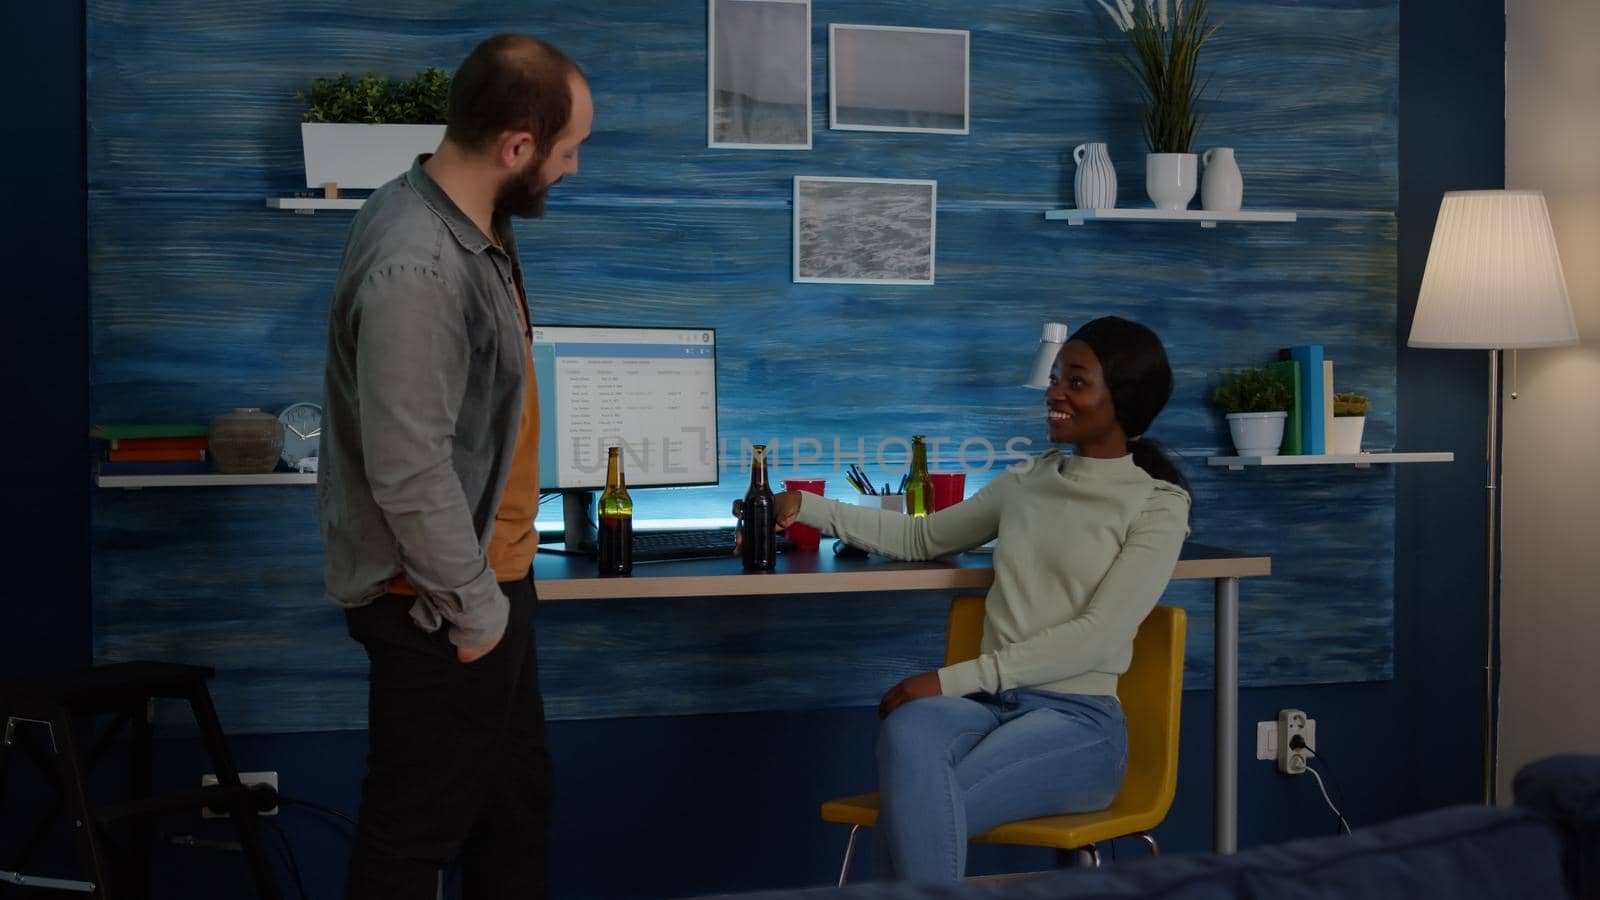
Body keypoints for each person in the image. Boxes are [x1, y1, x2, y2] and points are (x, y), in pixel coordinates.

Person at [317, 34, 593, 900]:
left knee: (513, 814)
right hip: (438, 605)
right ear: (516, 146)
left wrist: (496, 600)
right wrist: (477, 616)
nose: (572, 169)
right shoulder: (419, 263)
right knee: (413, 838)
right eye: (566, 150)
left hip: (492, 581)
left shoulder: (471, 224)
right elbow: (408, 468)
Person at [773, 316, 1192, 882]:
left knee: (919, 808)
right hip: (991, 707)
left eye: (1076, 382)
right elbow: (922, 536)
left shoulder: (1158, 506)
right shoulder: (1027, 481)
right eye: (1056, 378)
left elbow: (1098, 633)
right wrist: (808, 506)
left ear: (1124, 400)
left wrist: (949, 680)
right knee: (907, 730)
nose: (1054, 393)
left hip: (1079, 724)